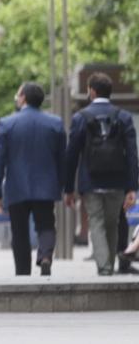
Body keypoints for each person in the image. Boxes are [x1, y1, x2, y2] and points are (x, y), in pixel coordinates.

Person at [62, 72, 138, 276]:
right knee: (113, 222)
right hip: (117, 181)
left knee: (96, 221)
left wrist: (68, 188)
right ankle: (109, 262)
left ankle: (104, 267)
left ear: (92, 91)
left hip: (91, 181)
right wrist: (132, 187)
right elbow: (132, 154)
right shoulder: (123, 117)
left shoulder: (80, 117)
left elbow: (71, 155)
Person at [0, 82, 65, 276]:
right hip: (46, 187)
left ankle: (23, 273)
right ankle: (45, 256)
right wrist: (65, 186)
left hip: (17, 187)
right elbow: (62, 159)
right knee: (46, 226)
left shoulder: (6, 124)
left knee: (20, 232)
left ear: (22, 97)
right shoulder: (55, 123)